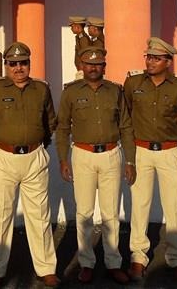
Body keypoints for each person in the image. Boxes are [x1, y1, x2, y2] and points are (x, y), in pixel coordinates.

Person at [0, 42, 60, 288]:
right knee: (0, 216)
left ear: (29, 64)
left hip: (34, 158)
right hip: (3, 158)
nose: (18, 68)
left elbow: (50, 122)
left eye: (23, 63)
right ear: (6, 66)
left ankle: (46, 268)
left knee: (40, 216)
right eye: (13, 64)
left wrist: (38, 144)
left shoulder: (41, 89)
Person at [56, 46, 135, 284]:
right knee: (84, 212)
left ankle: (113, 263)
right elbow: (63, 128)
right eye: (89, 64)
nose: (93, 68)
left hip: (111, 154)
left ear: (104, 66)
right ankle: (86, 262)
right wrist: (63, 159)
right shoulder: (70, 92)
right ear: (82, 65)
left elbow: (126, 126)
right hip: (83, 155)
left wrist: (130, 160)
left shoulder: (115, 91)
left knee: (111, 213)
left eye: (98, 64)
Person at [123, 37, 177, 282]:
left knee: (173, 207)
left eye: (156, 58)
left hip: (169, 152)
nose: (150, 62)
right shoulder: (133, 82)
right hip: (141, 151)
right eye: (149, 57)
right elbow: (126, 115)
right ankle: (138, 256)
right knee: (139, 205)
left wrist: (174, 135)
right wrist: (130, 153)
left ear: (168, 61)